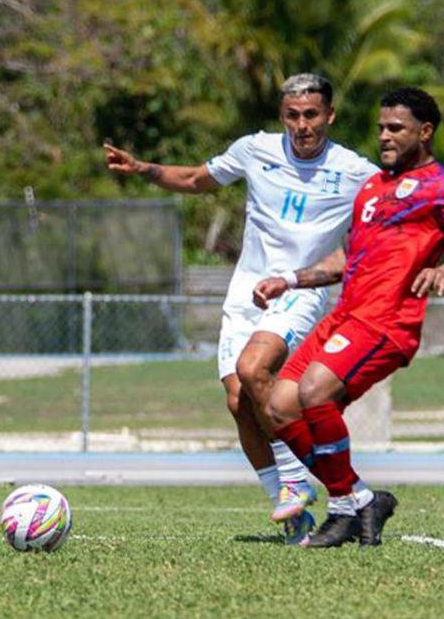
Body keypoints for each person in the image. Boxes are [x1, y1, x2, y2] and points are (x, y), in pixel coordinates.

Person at [104, 73, 377, 542]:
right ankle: (294, 509)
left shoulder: (357, 172)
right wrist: (143, 168)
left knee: (254, 370)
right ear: (281, 117)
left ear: (329, 115)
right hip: (245, 291)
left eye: (311, 115)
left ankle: (296, 482)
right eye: (292, 116)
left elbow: (386, 221)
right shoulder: (255, 150)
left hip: (298, 292)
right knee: (238, 401)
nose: (302, 125)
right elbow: (195, 179)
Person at [257, 87, 444, 547]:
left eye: (396, 129)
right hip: (345, 315)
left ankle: (345, 508)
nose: (384, 137)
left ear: (424, 132)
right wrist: (288, 279)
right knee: (278, 405)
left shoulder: (442, 187)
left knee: (313, 392)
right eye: (381, 128)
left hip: (387, 322)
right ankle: (361, 499)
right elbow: (345, 259)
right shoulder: (373, 187)